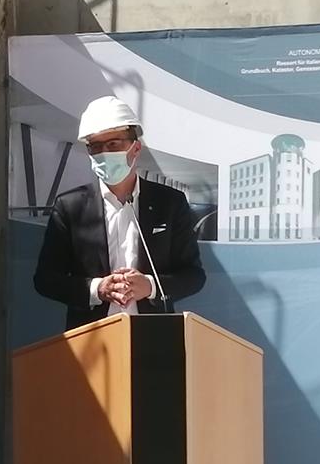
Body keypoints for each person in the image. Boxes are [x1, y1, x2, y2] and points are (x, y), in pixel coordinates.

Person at [33, 95, 205, 330]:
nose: (104, 153)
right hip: (91, 338)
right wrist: (97, 289)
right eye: (95, 146)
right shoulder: (70, 207)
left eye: (113, 144)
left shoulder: (170, 203)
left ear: (136, 148)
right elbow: (45, 280)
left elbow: (194, 276)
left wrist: (151, 286)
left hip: (155, 336)